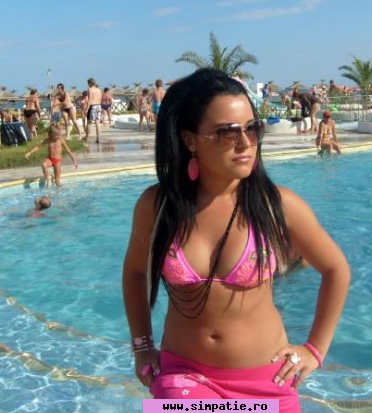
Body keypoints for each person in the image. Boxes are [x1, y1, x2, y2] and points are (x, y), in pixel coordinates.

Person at [122, 68, 351, 411]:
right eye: (226, 132)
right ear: (189, 140)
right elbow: (135, 272)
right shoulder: (157, 205)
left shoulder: (277, 205)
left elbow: (336, 269)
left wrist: (315, 349)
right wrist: (142, 347)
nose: (245, 143)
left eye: (251, 128)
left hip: (268, 380)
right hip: (182, 377)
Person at [83, 78, 103, 144]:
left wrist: (87, 109)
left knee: (89, 123)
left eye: (88, 83)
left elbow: (90, 100)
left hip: (92, 106)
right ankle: (98, 138)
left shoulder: (90, 89)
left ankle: (87, 137)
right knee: (98, 123)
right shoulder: (99, 90)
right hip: (98, 106)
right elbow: (100, 99)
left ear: (90, 83)